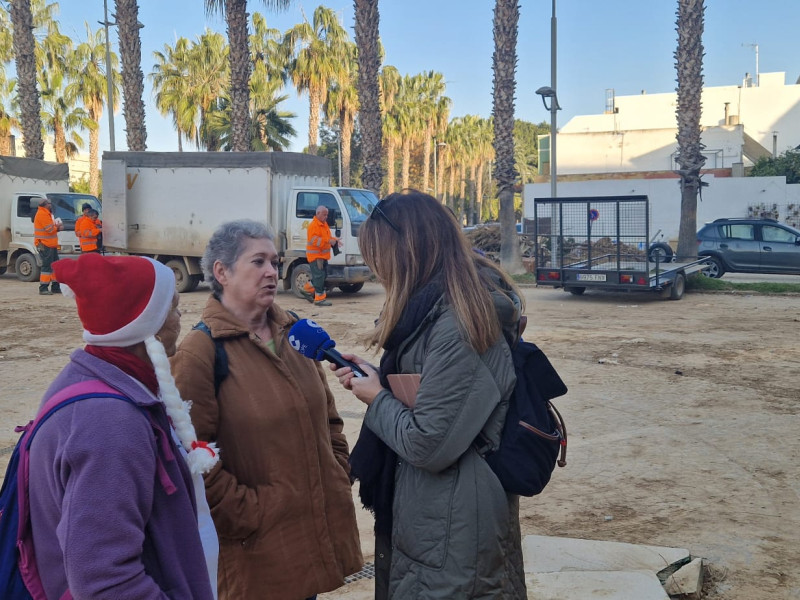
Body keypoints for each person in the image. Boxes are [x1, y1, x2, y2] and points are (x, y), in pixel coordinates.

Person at [331, 190, 527, 599]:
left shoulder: (460, 324)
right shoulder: (429, 311)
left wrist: (375, 398)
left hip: (452, 528)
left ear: (406, 252)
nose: (375, 267)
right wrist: (378, 380)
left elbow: (429, 444)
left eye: (377, 254)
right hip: (433, 517)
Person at [170, 219, 363, 600]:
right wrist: (250, 513)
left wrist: (337, 470)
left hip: (312, 533)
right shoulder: (200, 353)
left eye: (274, 262)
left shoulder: (295, 334)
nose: (272, 272)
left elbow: (329, 419)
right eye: (258, 262)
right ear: (221, 272)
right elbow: (192, 456)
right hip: (257, 551)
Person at [28, 253, 219, 599]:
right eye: (173, 308)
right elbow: (104, 580)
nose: (181, 317)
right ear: (148, 326)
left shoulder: (97, 378)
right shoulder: (110, 423)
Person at [303, 204, 339, 306]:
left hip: (322, 257)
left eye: (327, 215)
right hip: (316, 257)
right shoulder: (313, 226)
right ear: (318, 213)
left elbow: (328, 237)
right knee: (319, 277)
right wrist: (329, 241)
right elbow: (315, 241)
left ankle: (306, 289)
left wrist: (335, 240)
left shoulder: (324, 224)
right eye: (324, 215)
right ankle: (319, 299)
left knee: (321, 276)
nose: (326, 217)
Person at [33, 197, 64, 295]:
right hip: (45, 244)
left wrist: (57, 227)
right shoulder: (42, 214)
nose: (51, 205)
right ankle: (43, 288)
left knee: (55, 266)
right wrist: (58, 227)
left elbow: (51, 229)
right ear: (45, 205)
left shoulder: (47, 214)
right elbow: (50, 230)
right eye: (49, 204)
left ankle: (55, 286)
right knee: (47, 267)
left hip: (50, 244)